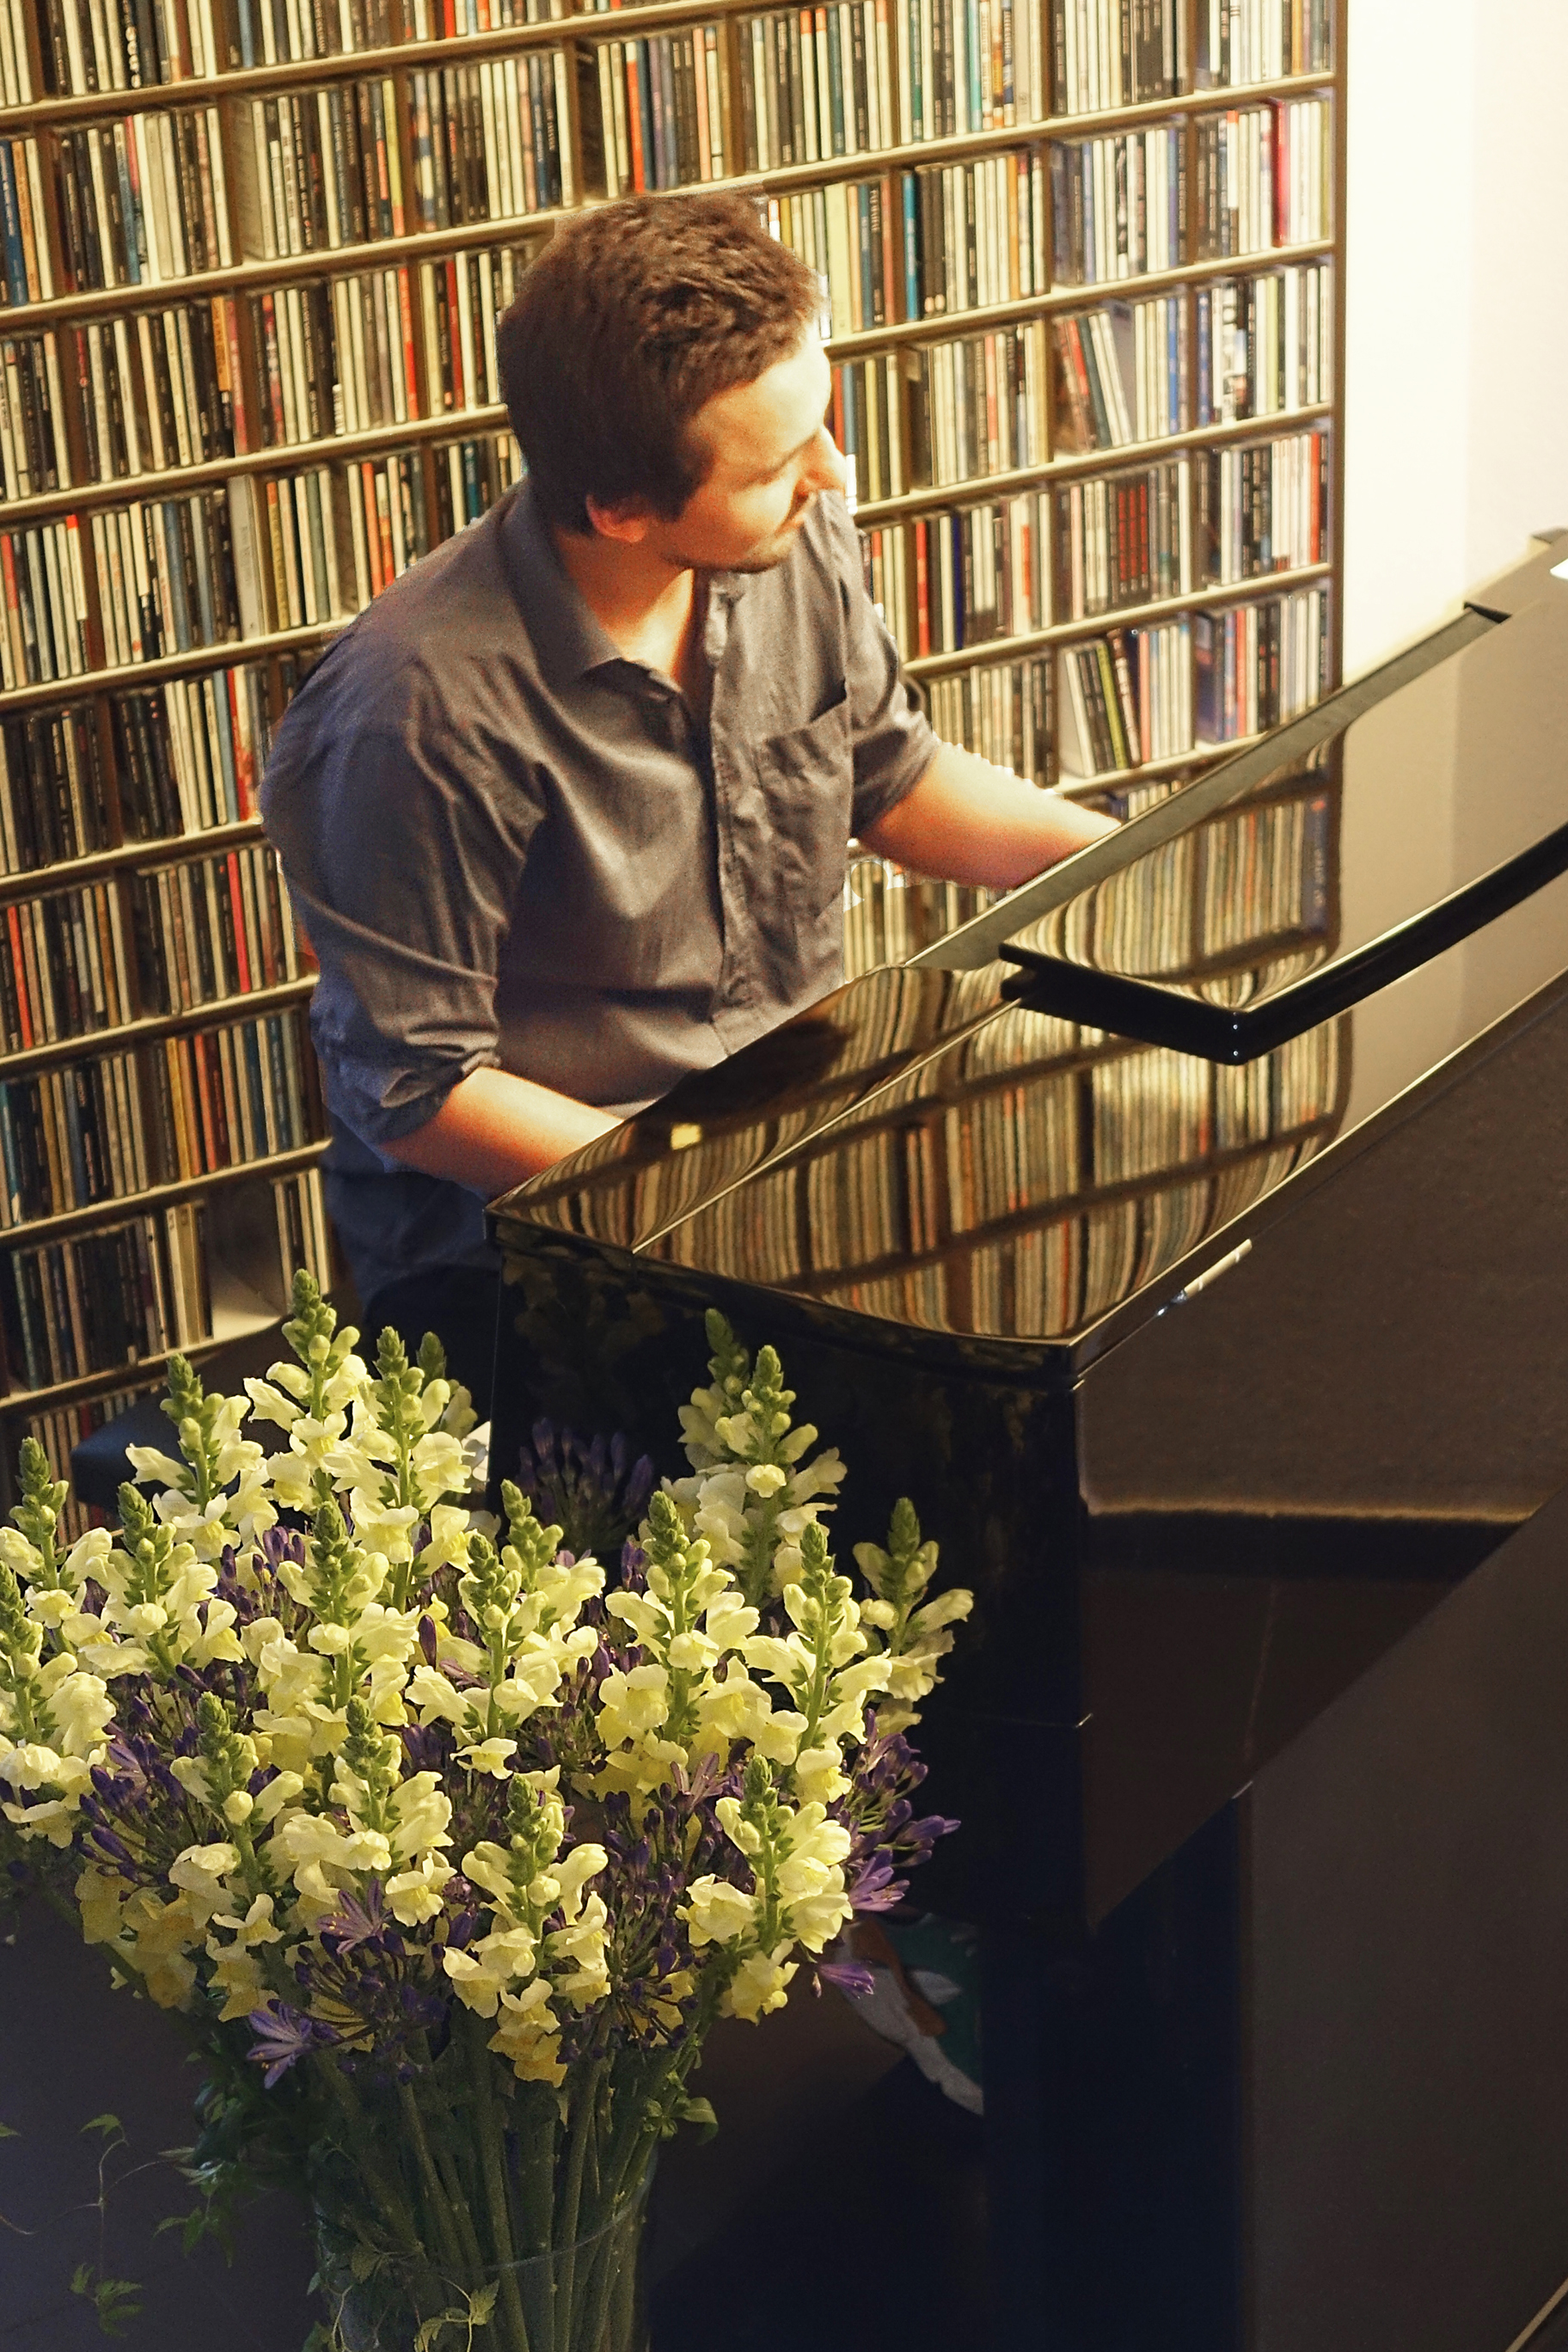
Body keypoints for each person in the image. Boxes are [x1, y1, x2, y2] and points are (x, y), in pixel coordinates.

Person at [261, 192, 1117, 1412]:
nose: (834, 473)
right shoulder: (414, 716)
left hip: (781, 1162)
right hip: (533, 1251)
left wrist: (1135, 854)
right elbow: (417, 1093)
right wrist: (715, 1201)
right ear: (621, 509)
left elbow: (894, 780)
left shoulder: (785, 538)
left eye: (822, 423)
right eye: (775, 465)